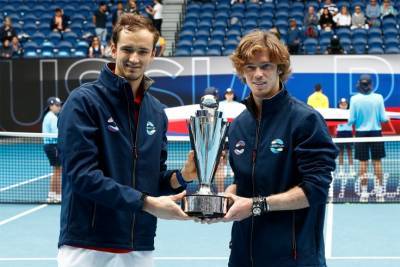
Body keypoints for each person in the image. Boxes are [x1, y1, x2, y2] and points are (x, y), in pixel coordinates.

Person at [57, 13, 197, 267]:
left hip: (138, 244)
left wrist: (182, 177)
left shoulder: (155, 111)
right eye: (127, 49)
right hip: (87, 243)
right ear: (113, 49)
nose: (134, 58)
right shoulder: (83, 102)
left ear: (153, 54)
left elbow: (151, 181)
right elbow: (81, 176)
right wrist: (146, 203)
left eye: (142, 51)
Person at [215, 30, 338, 267]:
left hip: (293, 258)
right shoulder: (238, 126)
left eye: (266, 66)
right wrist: (226, 198)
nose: (258, 74)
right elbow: (242, 182)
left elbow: (316, 190)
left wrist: (257, 205)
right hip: (242, 255)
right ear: (242, 71)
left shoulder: (306, 120)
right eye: (250, 67)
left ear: (280, 69)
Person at [348, 74, 388, 202]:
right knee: (377, 162)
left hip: (361, 134)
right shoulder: (379, 98)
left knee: (363, 163)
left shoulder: (354, 99)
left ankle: (364, 193)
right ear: (371, 85)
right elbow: (383, 119)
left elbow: (352, 120)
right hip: (376, 133)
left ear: (360, 84)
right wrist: (387, 118)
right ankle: (379, 192)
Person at [42, 97, 62, 203]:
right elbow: (57, 134)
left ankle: (52, 195)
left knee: (56, 170)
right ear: (51, 106)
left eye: (59, 105)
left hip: (49, 146)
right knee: (58, 171)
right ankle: (58, 196)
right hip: (53, 146)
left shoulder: (49, 116)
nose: (59, 107)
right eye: (57, 105)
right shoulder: (52, 118)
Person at [336, 98, 355, 177]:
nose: (343, 106)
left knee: (350, 153)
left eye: (345, 104)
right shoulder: (336, 113)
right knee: (340, 153)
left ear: (347, 105)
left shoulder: (350, 112)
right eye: (341, 104)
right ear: (339, 105)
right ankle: (341, 171)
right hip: (340, 134)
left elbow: (353, 121)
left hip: (349, 134)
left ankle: (351, 170)